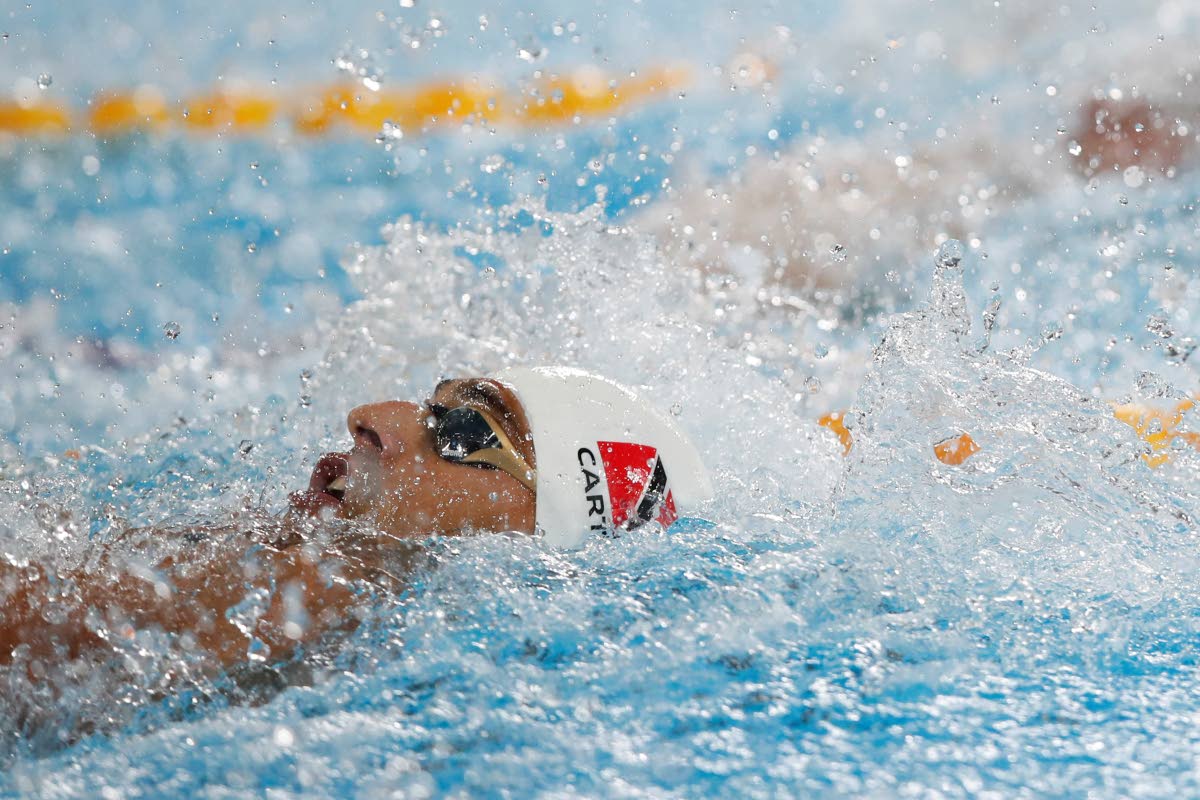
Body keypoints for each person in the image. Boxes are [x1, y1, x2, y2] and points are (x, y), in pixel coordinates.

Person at [0, 367, 712, 684]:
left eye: (464, 430)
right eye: (436, 400)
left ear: (534, 533)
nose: (373, 413)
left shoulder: (331, 593)